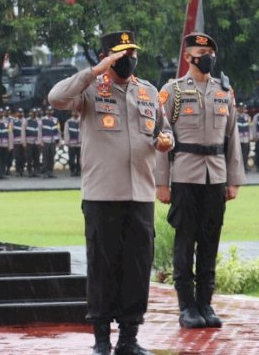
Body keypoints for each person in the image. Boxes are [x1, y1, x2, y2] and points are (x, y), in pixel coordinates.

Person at [49, 30, 173, 355]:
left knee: (137, 266)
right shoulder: (89, 90)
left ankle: (128, 338)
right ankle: (101, 339)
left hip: (140, 195)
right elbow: (56, 98)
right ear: (106, 56)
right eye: (120, 55)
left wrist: (166, 140)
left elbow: (163, 128)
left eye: (132, 53)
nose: (128, 59)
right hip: (103, 194)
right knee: (103, 267)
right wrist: (94, 71)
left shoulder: (147, 91)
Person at [155, 32, 244, 330]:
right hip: (185, 175)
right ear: (187, 57)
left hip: (215, 175)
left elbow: (232, 138)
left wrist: (234, 180)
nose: (208, 58)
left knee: (210, 241)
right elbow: (161, 137)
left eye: (210, 53)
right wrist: (161, 183)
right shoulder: (173, 91)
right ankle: (186, 307)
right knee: (184, 242)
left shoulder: (224, 91)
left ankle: (206, 303)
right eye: (201, 53)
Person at [40, 107, 61, 178]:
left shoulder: (56, 120)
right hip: (45, 141)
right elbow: (40, 131)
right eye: (48, 110)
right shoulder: (42, 120)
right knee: (45, 158)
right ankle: (45, 173)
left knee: (52, 157)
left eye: (51, 110)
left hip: (53, 142)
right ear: (46, 111)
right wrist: (41, 141)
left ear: (53, 111)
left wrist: (59, 141)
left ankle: (50, 172)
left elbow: (58, 130)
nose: (50, 112)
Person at [24, 108, 42, 177]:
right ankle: (29, 171)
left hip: (37, 143)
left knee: (36, 158)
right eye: (32, 113)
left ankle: (36, 171)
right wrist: (24, 142)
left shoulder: (39, 121)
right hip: (29, 142)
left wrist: (40, 141)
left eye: (34, 113)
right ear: (30, 113)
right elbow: (23, 132)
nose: (33, 114)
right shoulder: (26, 121)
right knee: (29, 158)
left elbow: (41, 132)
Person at [64, 111, 81, 176]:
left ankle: (79, 171)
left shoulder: (82, 121)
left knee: (80, 159)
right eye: (74, 112)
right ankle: (72, 171)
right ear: (71, 113)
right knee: (71, 158)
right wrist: (66, 141)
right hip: (71, 143)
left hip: (80, 143)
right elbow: (66, 132)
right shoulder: (68, 122)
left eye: (76, 112)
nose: (75, 113)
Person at [235, 104, 251, 174]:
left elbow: (250, 127)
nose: (241, 109)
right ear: (238, 108)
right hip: (237, 138)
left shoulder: (247, 117)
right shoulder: (234, 116)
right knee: (237, 154)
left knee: (245, 154)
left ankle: (245, 167)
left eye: (243, 108)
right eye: (240, 108)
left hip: (246, 138)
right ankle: (238, 168)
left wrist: (250, 137)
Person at [11, 108, 27, 176]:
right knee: (17, 157)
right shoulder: (13, 121)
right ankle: (18, 171)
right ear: (16, 113)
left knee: (24, 157)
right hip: (16, 142)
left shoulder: (26, 121)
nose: (20, 114)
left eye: (21, 112)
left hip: (24, 143)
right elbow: (11, 132)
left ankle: (22, 170)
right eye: (19, 112)